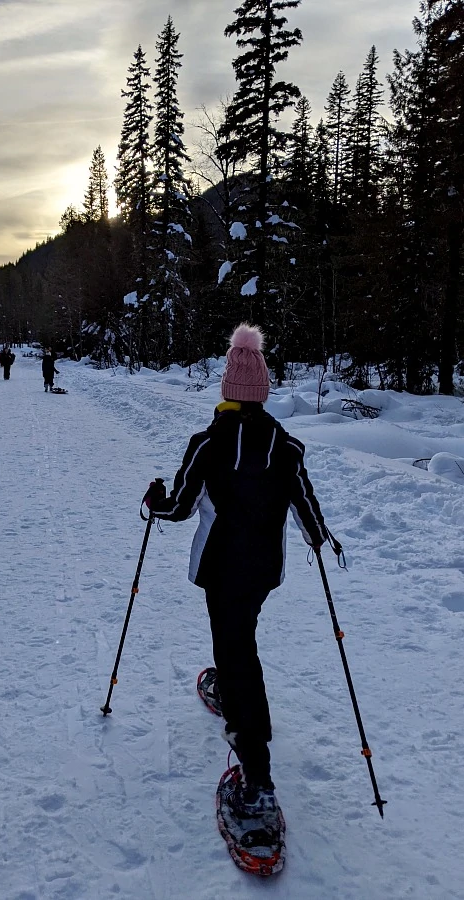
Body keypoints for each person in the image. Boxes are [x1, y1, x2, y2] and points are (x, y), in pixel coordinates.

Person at [144, 323, 329, 821]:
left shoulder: (208, 443)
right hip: (263, 570)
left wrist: (152, 504)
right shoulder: (285, 446)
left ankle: (258, 775)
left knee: (237, 648)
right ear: (262, 394)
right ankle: (229, 686)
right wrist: (319, 539)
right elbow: (306, 506)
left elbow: (180, 506)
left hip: (220, 568)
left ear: (228, 391)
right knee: (238, 635)